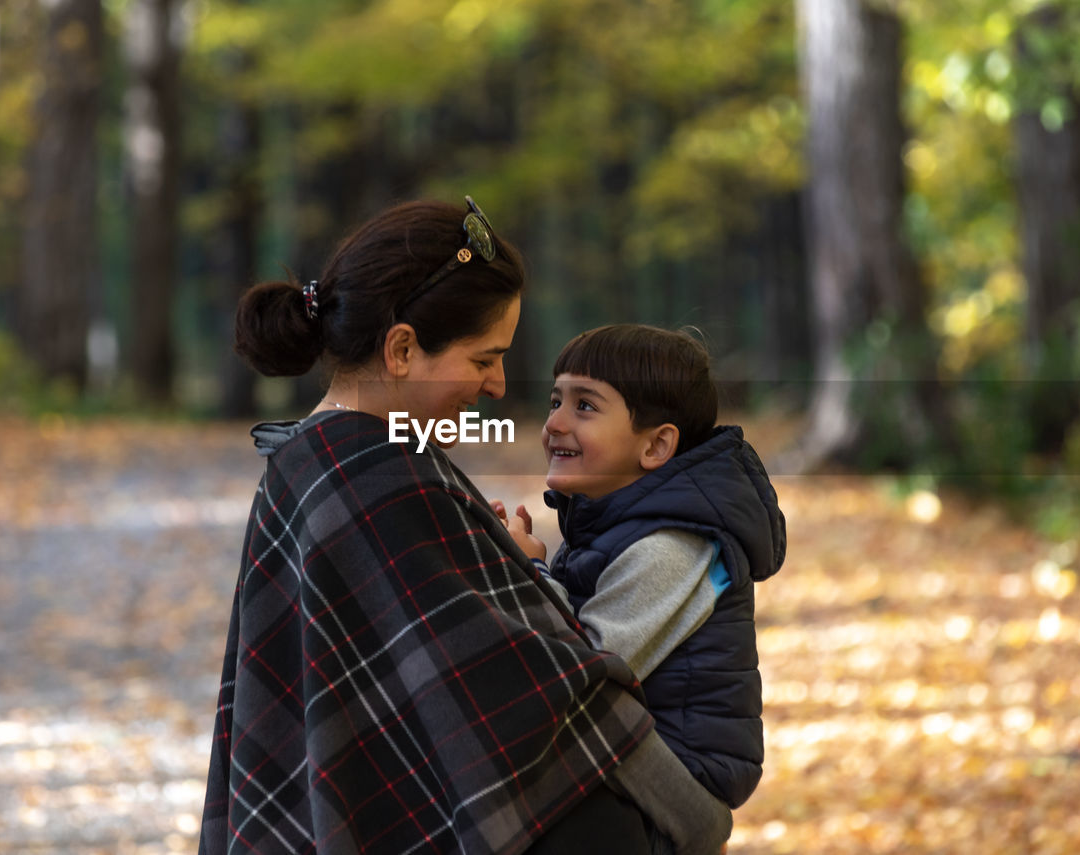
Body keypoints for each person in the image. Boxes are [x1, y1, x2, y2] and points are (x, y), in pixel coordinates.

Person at [198, 199, 732, 855]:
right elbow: (539, 691)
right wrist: (696, 817)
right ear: (401, 348)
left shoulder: (306, 463)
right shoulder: (382, 477)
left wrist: (507, 575)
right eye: (484, 359)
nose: (498, 385)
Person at [492, 324, 786, 812]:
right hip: (628, 760)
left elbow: (586, 667)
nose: (555, 424)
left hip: (675, 781)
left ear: (655, 447)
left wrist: (532, 575)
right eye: (554, 401)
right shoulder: (608, 525)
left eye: (584, 406)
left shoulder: (672, 546)